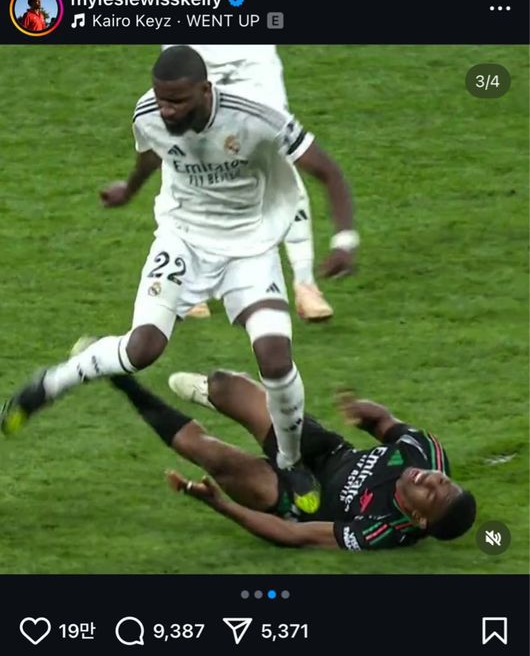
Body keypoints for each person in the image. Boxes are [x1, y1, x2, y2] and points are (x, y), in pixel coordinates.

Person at [1, 46, 358, 514]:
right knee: (141, 350)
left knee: (275, 358)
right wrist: (129, 189)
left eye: (177, 102)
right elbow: (154, 152)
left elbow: (327, 171)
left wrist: (344, 241)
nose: (167, 110)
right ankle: (48, 385)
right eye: (161, 99)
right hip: (182, 240)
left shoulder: (257, 117)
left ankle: (290, 461)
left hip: (249, 247)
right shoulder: (148, 112)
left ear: (205, 90)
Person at [107, 369, 476, 551]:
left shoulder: (382, 530)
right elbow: (384, 423)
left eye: (431, 493)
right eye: (442, 480)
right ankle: (213, 394)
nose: (429, 479)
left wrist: (220, 504)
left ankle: (123, 382)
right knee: (224, 384)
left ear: (418, 518)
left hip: (299, 499)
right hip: (325, 451)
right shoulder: (426, 452)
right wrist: (365, 412)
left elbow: (294, 535)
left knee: (213, 457)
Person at [160, 45, 350, 321]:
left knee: (277, 154)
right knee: (189, 157)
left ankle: (305, 283)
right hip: (191, 58)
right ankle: (191, 282)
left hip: (251, 58)